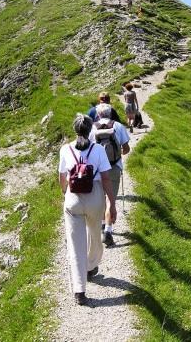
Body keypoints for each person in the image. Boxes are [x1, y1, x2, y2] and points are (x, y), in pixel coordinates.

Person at [58, 114, 117, 306]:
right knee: (94, 235)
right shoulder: (98, 149)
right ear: (90, 130)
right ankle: (91, 266)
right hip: (95, 198)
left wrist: (66, 194)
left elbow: (62, 178)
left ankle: (79, 291)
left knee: (75, 246)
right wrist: (112, 203)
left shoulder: (65, 149)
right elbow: (107, 178)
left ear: (75, 130)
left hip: (73, 199)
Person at [89, 103, 131, 246]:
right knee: (110, 199)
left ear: (98, 114)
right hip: (113, 168)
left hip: (96, 170)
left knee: (100, 198)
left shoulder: (92, 128)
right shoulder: (118, 126)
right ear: (110, 113)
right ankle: (108, 230)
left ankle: (101, 225)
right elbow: (126, 149)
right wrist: (117, 155)